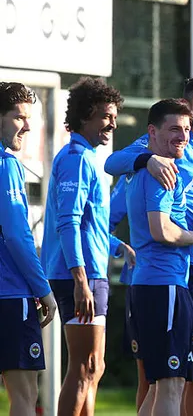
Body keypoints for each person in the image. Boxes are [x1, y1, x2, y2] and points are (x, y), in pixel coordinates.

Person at [104, 76, 193, 416]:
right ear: (187, 107)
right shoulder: (164, 150)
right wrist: (146, 160)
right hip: (171, 275)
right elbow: (113, 163)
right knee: (164, 377)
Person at [41, 77, 129, 416]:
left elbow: (90, 225)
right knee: (83, 366)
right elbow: (68, 223)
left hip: (90, 275)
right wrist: (80, 280)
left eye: (115, 117)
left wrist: (117, 246)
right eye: (107, 116)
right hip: (79, 277)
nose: (112, 124)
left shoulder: (87, 157)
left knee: (94, 367)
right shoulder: (76, 158)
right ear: (86, 115)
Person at [125, 98, 193, 416]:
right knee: (171, 385)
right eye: (175, 129)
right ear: (152, 132)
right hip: (163, 286)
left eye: (187, 129)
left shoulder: (144, 169)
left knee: (160, 386)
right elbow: (161, 230)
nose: (183, 136)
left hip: (156, 284)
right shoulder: (160, 172)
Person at [0, 81, 58, 416]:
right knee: (24, 394)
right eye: (19, 117)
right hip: (10, 295)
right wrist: (43, 290)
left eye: (29, 117)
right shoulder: (6, 164)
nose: (27, 126)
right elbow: (17, 235)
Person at [108, 174, 147, 411]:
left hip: (191, 282)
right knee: (151, 376)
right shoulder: (138, 167)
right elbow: (101, 223)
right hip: (146, 283)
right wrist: (119, 247)